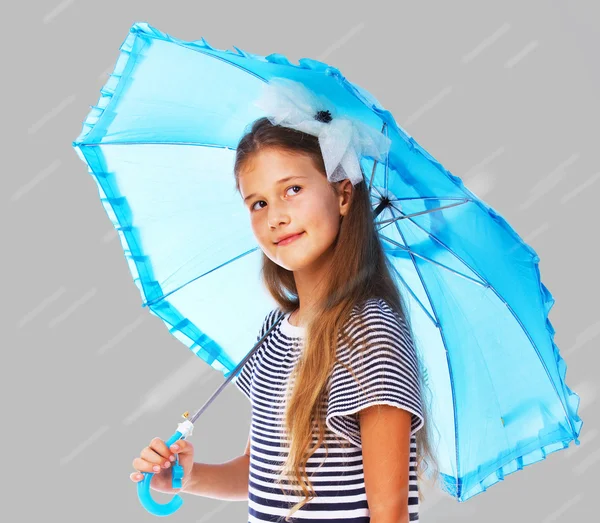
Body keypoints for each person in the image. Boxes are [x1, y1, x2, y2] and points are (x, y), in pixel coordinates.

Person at [131, 78, 440, 522]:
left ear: (343, 194)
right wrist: (184, 478)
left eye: (292, 189)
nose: (275, 215)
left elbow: (388, 514)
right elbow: (262, 475)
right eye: (257, 203)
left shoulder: (371, 333)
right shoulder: (273, 333)